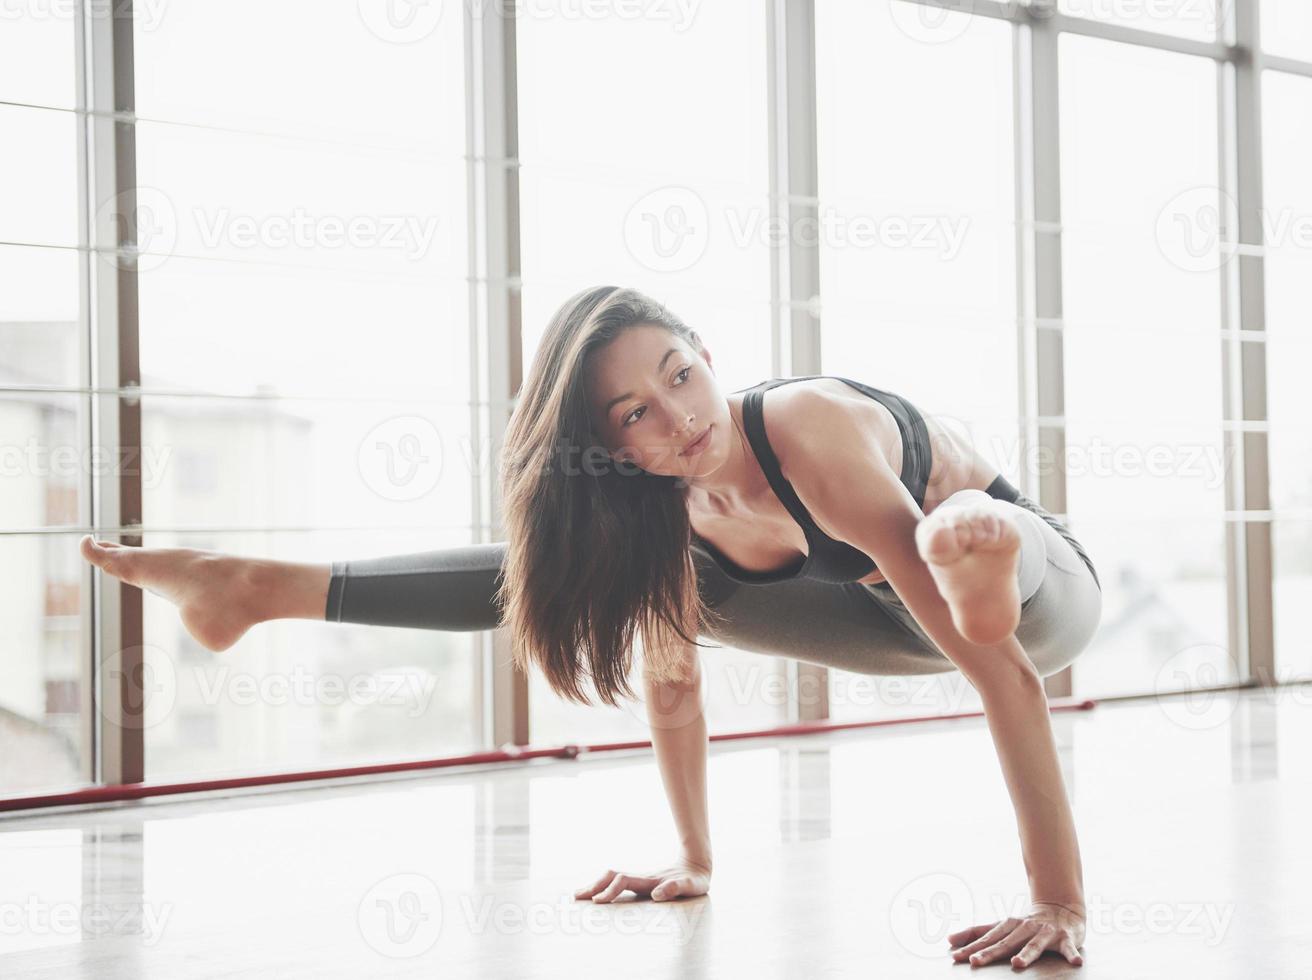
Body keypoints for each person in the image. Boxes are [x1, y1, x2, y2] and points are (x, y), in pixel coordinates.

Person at [80, 284, 1101, 970]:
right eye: (633, 415)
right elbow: (670, 682)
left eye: (676, 374)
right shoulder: (659, 508)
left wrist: (1057, 900)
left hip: (1037, 600)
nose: (676, 416)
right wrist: (692, 856)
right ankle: (254, 586)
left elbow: (1005, 678)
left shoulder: (808, 433)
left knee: (965, 544)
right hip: (888, 620)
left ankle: (974, 558)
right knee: (594, 574)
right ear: (605, 445)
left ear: (707, 356)